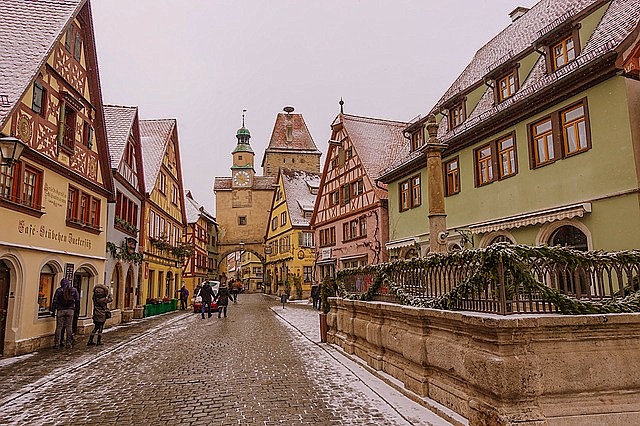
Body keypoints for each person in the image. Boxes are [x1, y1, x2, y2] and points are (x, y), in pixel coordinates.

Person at [51, 278, 79, 349]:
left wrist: (53, 311)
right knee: (69, 327)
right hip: (70, 310)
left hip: (60, 310)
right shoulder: (74, 290)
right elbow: (77, 300)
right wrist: (77, 310)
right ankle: (68, 343)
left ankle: (57, 343)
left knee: (59, 327)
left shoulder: (59, 290)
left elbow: (54, 300)